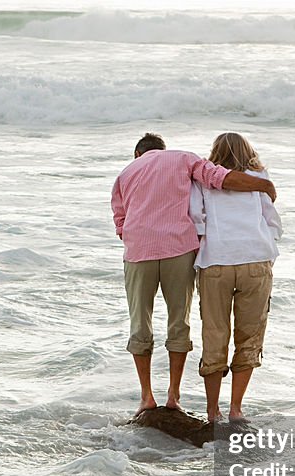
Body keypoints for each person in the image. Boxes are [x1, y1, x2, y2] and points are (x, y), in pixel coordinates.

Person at [112, 133, 276, 415]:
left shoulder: (125, 173)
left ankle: (147, 397)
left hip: (140, 253)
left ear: (138, 154)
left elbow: (120, 220)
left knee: (140, 325)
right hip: (180, 251)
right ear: (163, 149)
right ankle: (175, 396)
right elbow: (221, 179)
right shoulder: (183, 158)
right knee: (179, 323)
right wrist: (264, 185)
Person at [191, 132, 282, 422]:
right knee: (250, 337)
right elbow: (272, 220)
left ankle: (212, 411)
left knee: (214, 335)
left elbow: (197, 218)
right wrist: (267, 245)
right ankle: (236, 409)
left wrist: (209, 244)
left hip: (216, 263)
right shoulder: (258, 177)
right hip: (255, 260)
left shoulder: (203, 179)